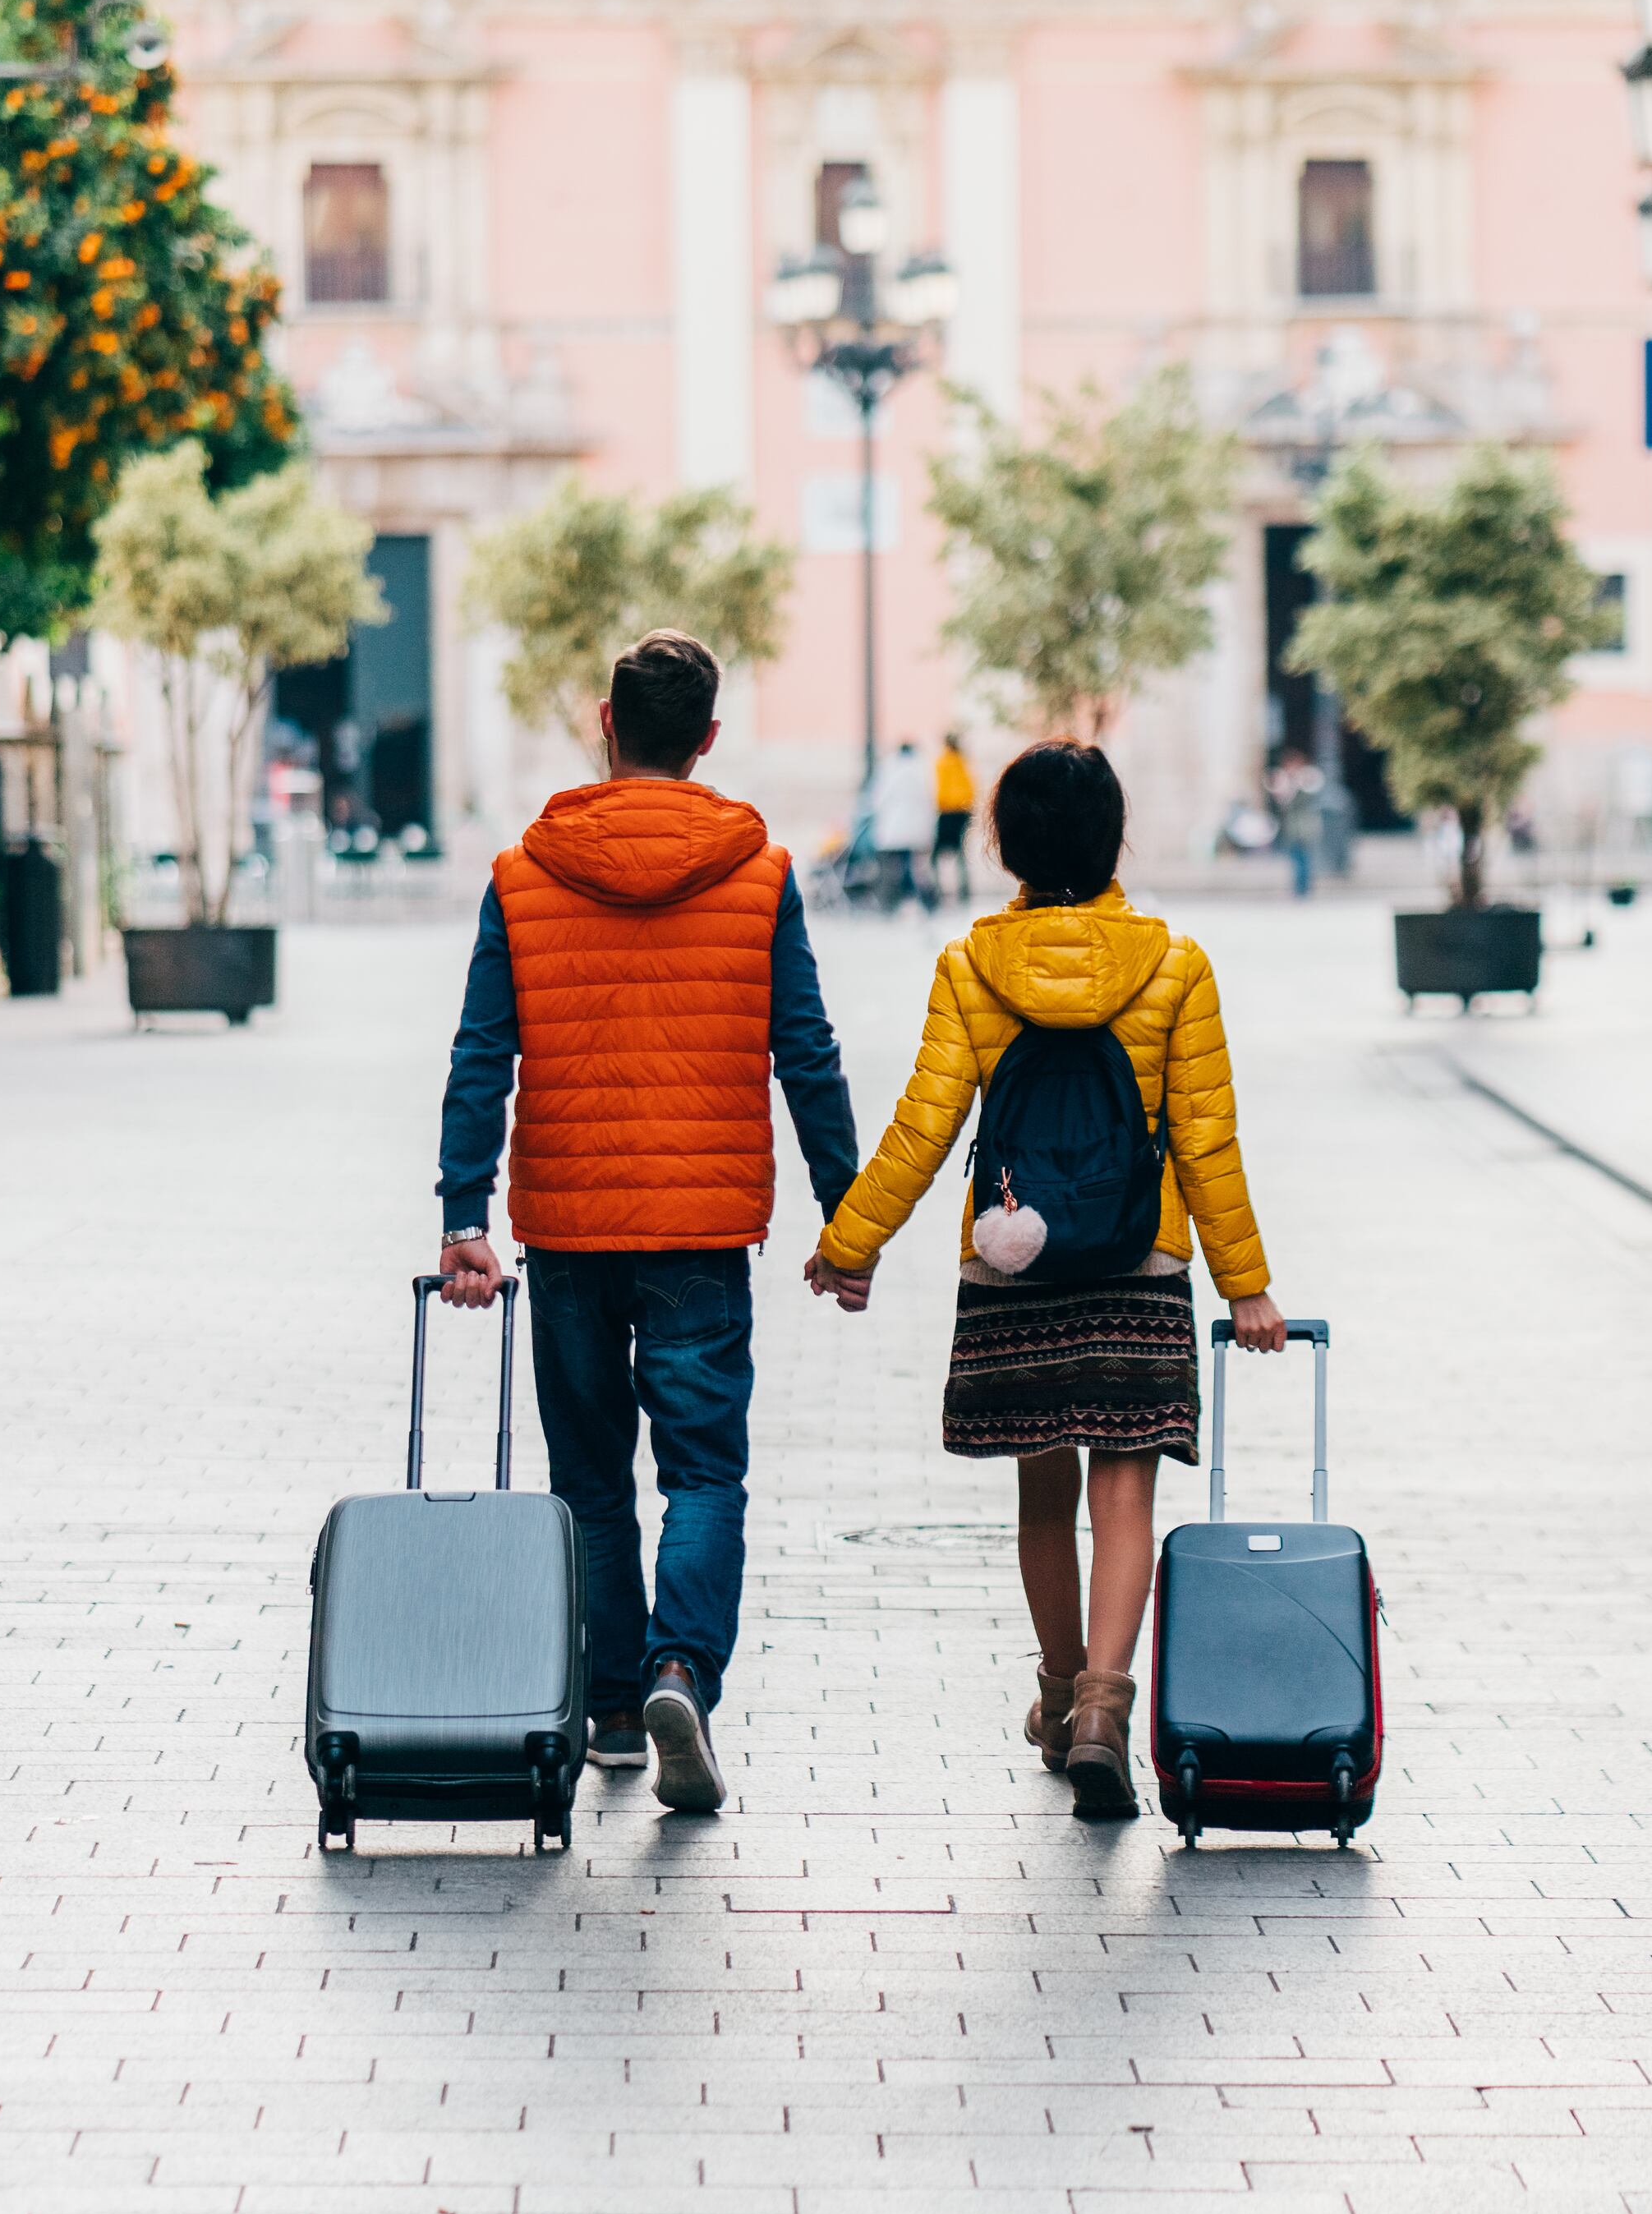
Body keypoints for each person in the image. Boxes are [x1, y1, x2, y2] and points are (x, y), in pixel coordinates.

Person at [804, 742, 1288, 1821]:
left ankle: (1062, 1692)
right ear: (1115, 837)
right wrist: (1245, 1283)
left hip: (1014, 1257)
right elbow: (1209, 1140)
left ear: (1005, 846)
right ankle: (1108, 1714)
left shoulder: (972, 965)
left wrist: (853, 1240)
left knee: (1043, 1487)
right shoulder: (1174, 965)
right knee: (1126, 1485)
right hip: (1140, 1258)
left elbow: (924, 1127)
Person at [435, 630, 863, 1815]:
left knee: (590, 1476)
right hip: (699, 1230)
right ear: (708, 739)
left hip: (568, 1225)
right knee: (706, 1471)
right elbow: (807, 1054)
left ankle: (615, 1705)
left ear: (605, 724)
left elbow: (484, 1050)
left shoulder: (524, 873)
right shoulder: (760, 870)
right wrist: (852, 1215)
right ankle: (683, 1666)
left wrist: (461, 1210)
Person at [865, 738, 938, 912]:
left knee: (892, 870)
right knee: (918, 869)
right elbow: (931, 798)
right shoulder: (923, 768)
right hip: (917, 828)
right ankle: (927, 904)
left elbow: (877, 798)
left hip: (893, 828)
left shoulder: (889, 767)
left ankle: (890, 905)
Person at [1263, 748, 1326, 900]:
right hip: (1292, 828)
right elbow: (1282, 803)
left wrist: (1295, 785)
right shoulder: (1284, 780)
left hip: (1306, 826)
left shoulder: (1307, 778)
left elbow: (1308, 796)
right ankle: (1299, 887)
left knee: (1304, 859)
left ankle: (1303, 888)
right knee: (1295, 858)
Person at [928, 730, 978, 903]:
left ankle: (937, 890)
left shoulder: (942, 762)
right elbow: (971, 786)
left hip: (946, 811)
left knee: (935, 855)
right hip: (963, 812)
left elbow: (939, 788)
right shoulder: (963, 761)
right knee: (960, 853)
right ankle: (964, 890)